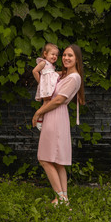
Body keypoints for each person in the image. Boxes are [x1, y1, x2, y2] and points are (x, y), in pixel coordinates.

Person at [32, 44, 85, 205]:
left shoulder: (74, 77)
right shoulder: (63, 75)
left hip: (55, 115)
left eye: (70, 56)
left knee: (44, 159)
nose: (66, 58)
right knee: (57, 161)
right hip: (55, 116)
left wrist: (38, 112)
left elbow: (59, 100)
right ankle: (64, 198)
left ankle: (60, 197)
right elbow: (48, 74)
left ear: (77, 59)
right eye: (64, 55)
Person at [32, 43, 60, 131]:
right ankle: (39, 119)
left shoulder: (51, 66)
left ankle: (44, 119)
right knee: (46, 103)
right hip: (46, 87)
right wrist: (41, 82)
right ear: (45, 54)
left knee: (48, 103)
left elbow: (52, 74)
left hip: (50, 87)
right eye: (52, 54)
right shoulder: (44, 63)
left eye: (56, 55)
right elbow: (35, 71)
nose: (54, 56)